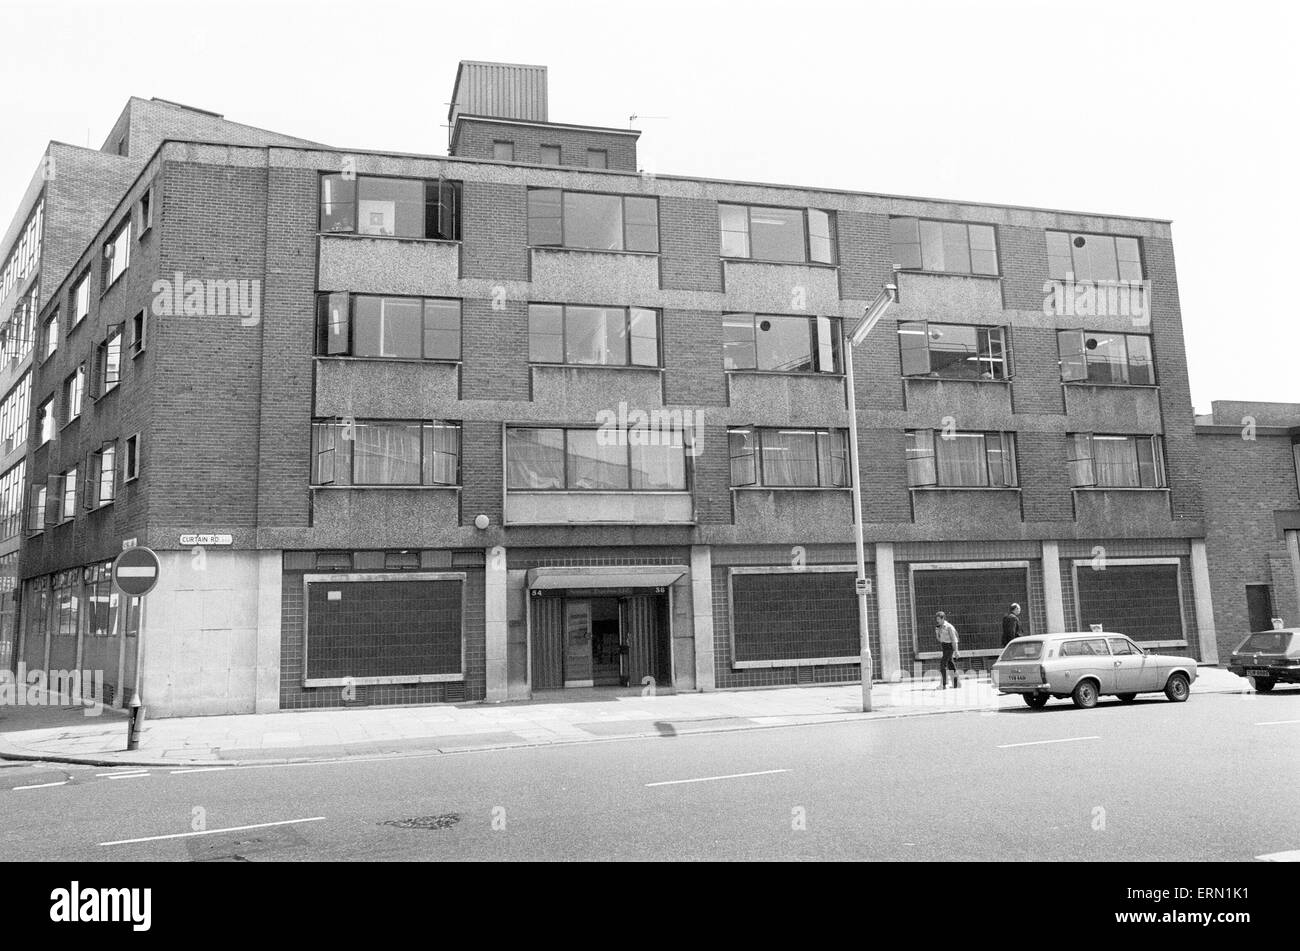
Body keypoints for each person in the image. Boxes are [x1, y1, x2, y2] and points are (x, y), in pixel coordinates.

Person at [934, 611, 959, 688]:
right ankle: (956, 684)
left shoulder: (949, 627)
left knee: (943, 664)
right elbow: (940, 640)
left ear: (943, 618)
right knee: (951, 665)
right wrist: (937, 633)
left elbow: (954, 640)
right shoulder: (940, 627)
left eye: (938, 619)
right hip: (944, 646)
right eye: (937, 619)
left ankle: (943, 684)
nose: (937, 621)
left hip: (949, 646)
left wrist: (956, 651)